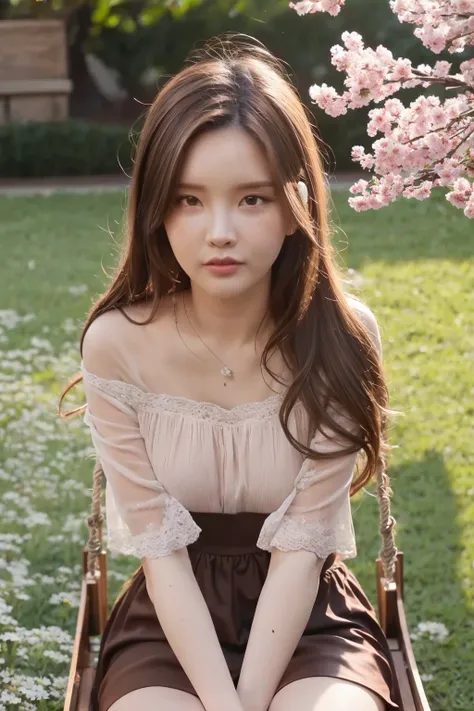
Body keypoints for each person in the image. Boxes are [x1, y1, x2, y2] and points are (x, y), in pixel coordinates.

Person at [61, 34, 402, 711]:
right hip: (168, 618)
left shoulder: (341, 334)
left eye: (252, 199)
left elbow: (303, 552)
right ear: (156, 208)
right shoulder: (116, 347)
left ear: (297, 203)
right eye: (190, 200)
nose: (220, 231)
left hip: (310, 616)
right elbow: (161, 558)